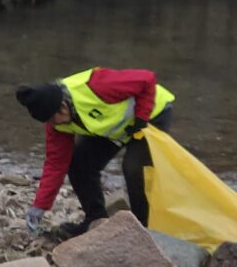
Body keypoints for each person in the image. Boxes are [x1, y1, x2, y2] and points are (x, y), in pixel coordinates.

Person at [18, 70, 176, 231]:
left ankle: (142, 229)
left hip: (151, 114)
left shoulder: (96, 86)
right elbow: (55, 164)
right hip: (117, 129)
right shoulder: (55, 123)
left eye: (52, 120)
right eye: (48, 122)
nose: (53, 125)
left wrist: (141, 117)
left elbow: (147, 79)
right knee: (79, 164)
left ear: (63, 106)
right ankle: (96, 223)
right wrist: (39, 206)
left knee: (134, 168)